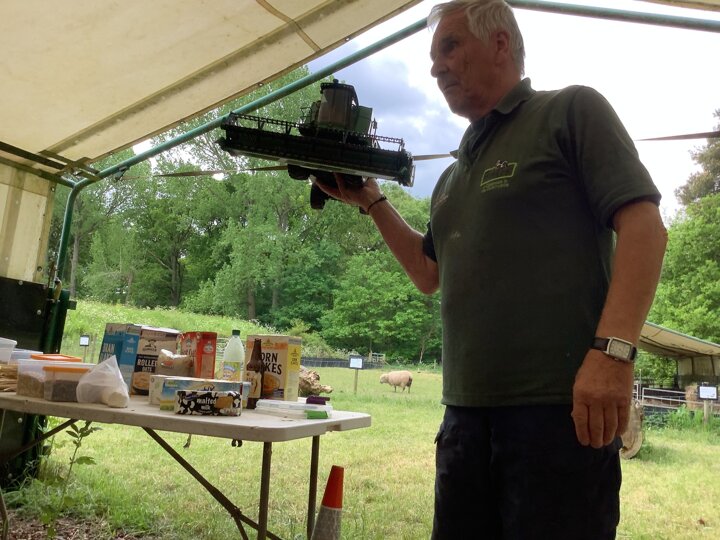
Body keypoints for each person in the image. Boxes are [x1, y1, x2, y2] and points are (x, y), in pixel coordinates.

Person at [314, 1, 668, 538]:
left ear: (500, 43)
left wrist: (613, 354)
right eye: (433, 56)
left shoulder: (569, 111)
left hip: (559, 415)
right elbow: (428, 273)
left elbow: (645, 227)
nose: (435, 67)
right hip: (463, 421)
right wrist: (372, 201)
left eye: (450, 47)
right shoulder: (451, 176)